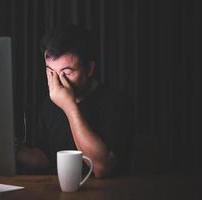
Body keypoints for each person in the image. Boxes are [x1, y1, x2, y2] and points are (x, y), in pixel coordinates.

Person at [16, 24, 133, 178]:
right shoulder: (49, 103)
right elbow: (46, 159)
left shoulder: (116, 103)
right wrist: (14, 150)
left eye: (67, 72)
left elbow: (103, 168)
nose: (57, 82)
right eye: (51, 72)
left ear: (89, 69)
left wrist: (69, 107)